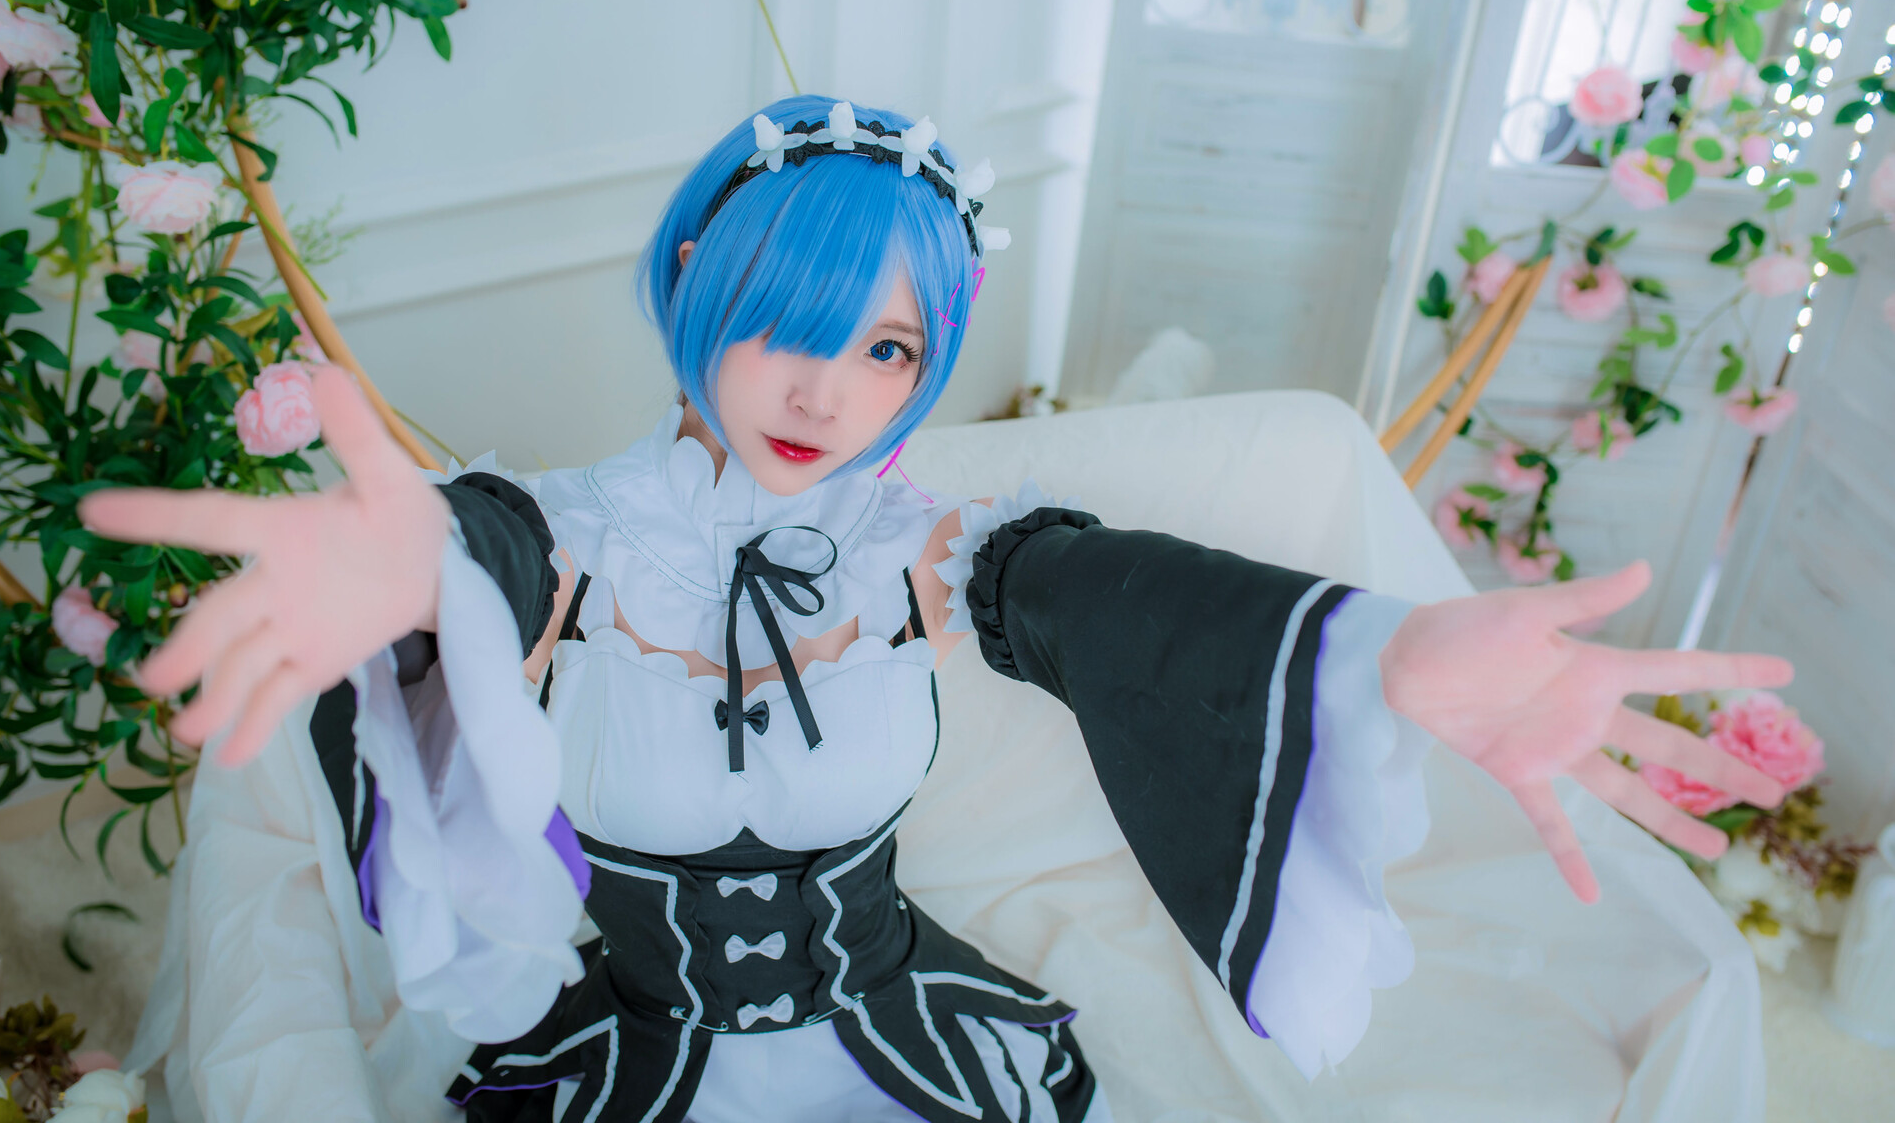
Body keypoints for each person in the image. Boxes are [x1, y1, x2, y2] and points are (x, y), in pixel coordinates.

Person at [88, 95, 1789, 1123]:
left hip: (902, 1049)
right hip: (630, 1067)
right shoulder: (573, 538)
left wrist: (1392, 645)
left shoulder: (920, 544)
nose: (826, 392)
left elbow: (1125, 608)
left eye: (889, 347)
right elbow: (481, 560)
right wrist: (415, 579)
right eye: (786, 318)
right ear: (691, 283)